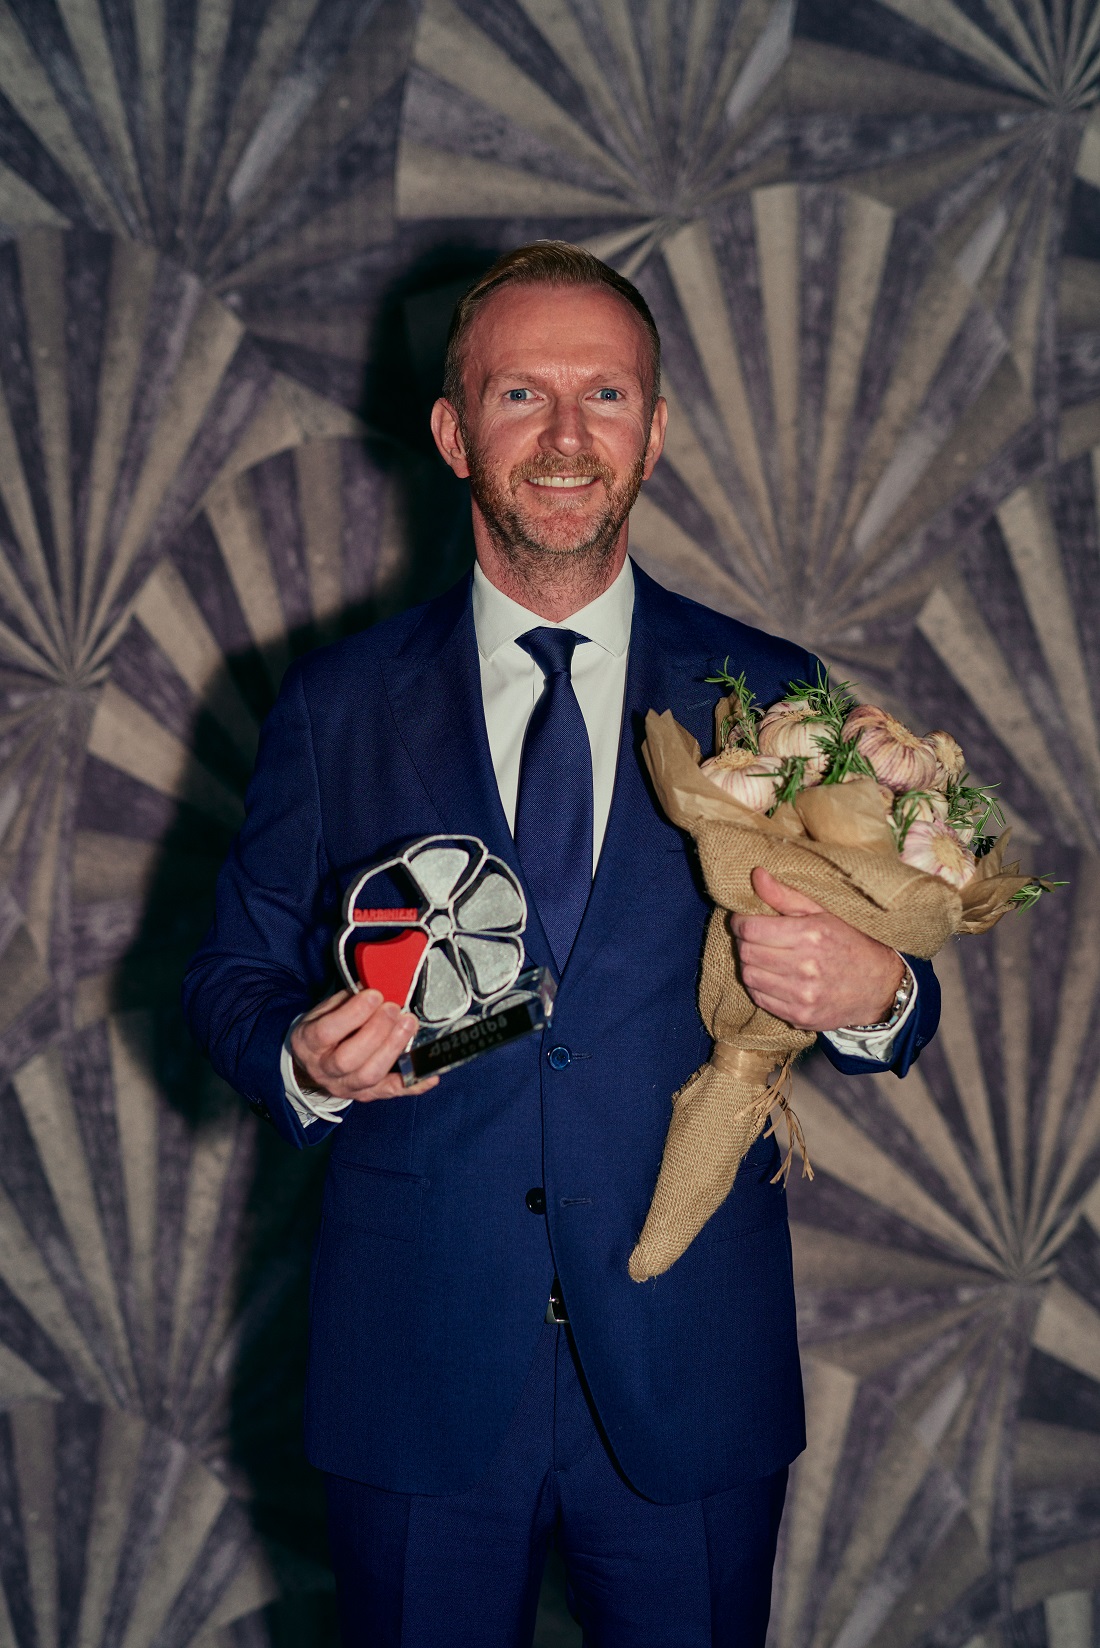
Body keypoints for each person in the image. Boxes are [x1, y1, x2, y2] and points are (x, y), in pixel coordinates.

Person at [183, 242, 940, 1647]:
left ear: (654, 430)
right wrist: (300, 1056)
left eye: (606, 393)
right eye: (522, 393)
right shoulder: (335, 704)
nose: (568, 435)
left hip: (689, 1366)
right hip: (415, 1365)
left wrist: (878, 990)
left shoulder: (775, 695)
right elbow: (227, 975)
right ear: (453, 431)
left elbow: (902, 981)